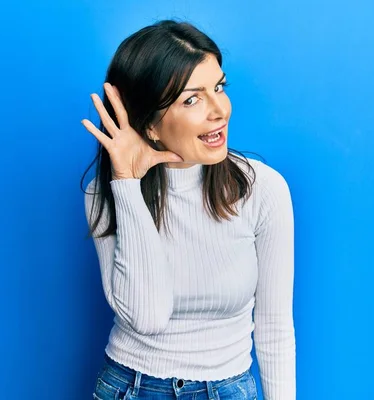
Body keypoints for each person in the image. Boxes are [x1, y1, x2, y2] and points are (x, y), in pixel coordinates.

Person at [81, 19, 296, 400]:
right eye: (192, 99)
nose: (220, 110)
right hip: (131, 387)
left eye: (219, 87)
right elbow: (147, 317)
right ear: (149, 125)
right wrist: (127, 184)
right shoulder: (105, 193)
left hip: (229, 387)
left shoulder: (263, 190)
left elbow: (274, 326)